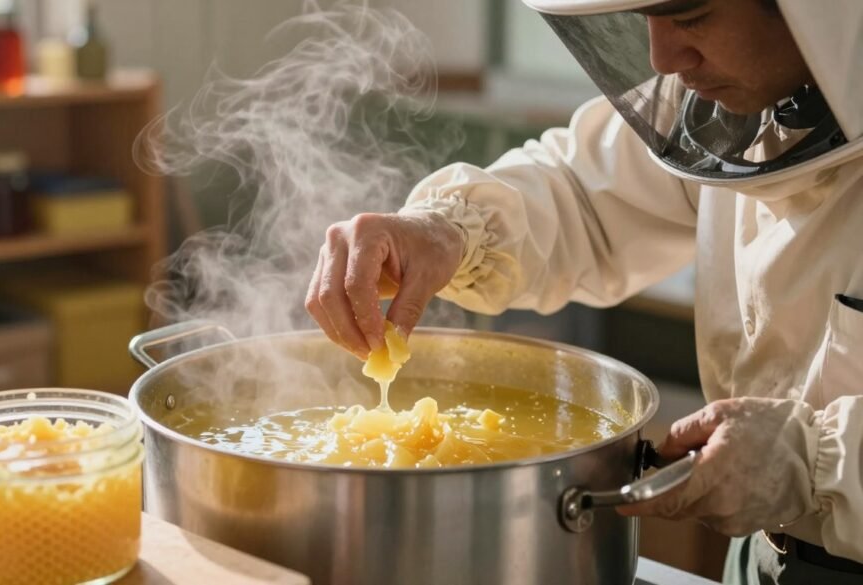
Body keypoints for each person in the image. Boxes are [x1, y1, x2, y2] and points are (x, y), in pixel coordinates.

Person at [304, 0, 863, 583]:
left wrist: (819, 460)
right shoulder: (737, 96)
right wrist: (445, 230)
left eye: (690, 16)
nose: (662, 58)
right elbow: (584, 191)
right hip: (756, 559)